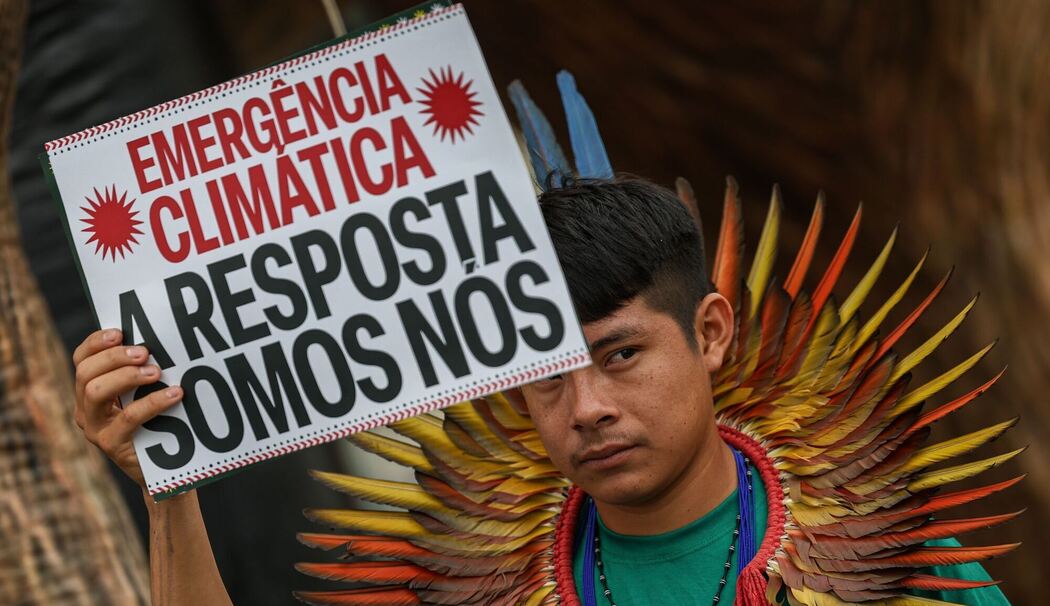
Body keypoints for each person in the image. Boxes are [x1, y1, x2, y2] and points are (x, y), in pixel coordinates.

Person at [72, 175, 1013, 605]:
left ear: (711, 334)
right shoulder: (463, 584)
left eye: (619, 355)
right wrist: (169, 483)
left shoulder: (895, 566)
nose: (587, 407)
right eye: (544, 381)